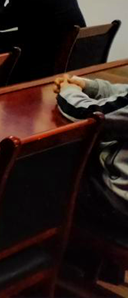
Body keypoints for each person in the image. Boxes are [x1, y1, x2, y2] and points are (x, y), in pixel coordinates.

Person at [55, 74, 128, 227]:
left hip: (117, 203)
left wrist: (68, 90)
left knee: (47, 170)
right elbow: (123, 95)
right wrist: (89, 86)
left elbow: (87, 114)